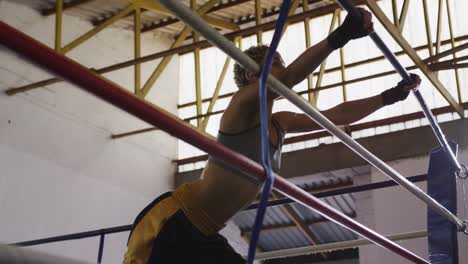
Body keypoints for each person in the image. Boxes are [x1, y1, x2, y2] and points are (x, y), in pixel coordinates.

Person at [123, 8, 421, 264]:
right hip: (173, 220)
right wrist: (341, 35)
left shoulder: (281, 123)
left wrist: (389, 97)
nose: (284, 68)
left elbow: (335, 117)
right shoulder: (239, 107)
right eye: (276, 63)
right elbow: (288, 78)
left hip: (206, 231)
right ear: (253, 74)